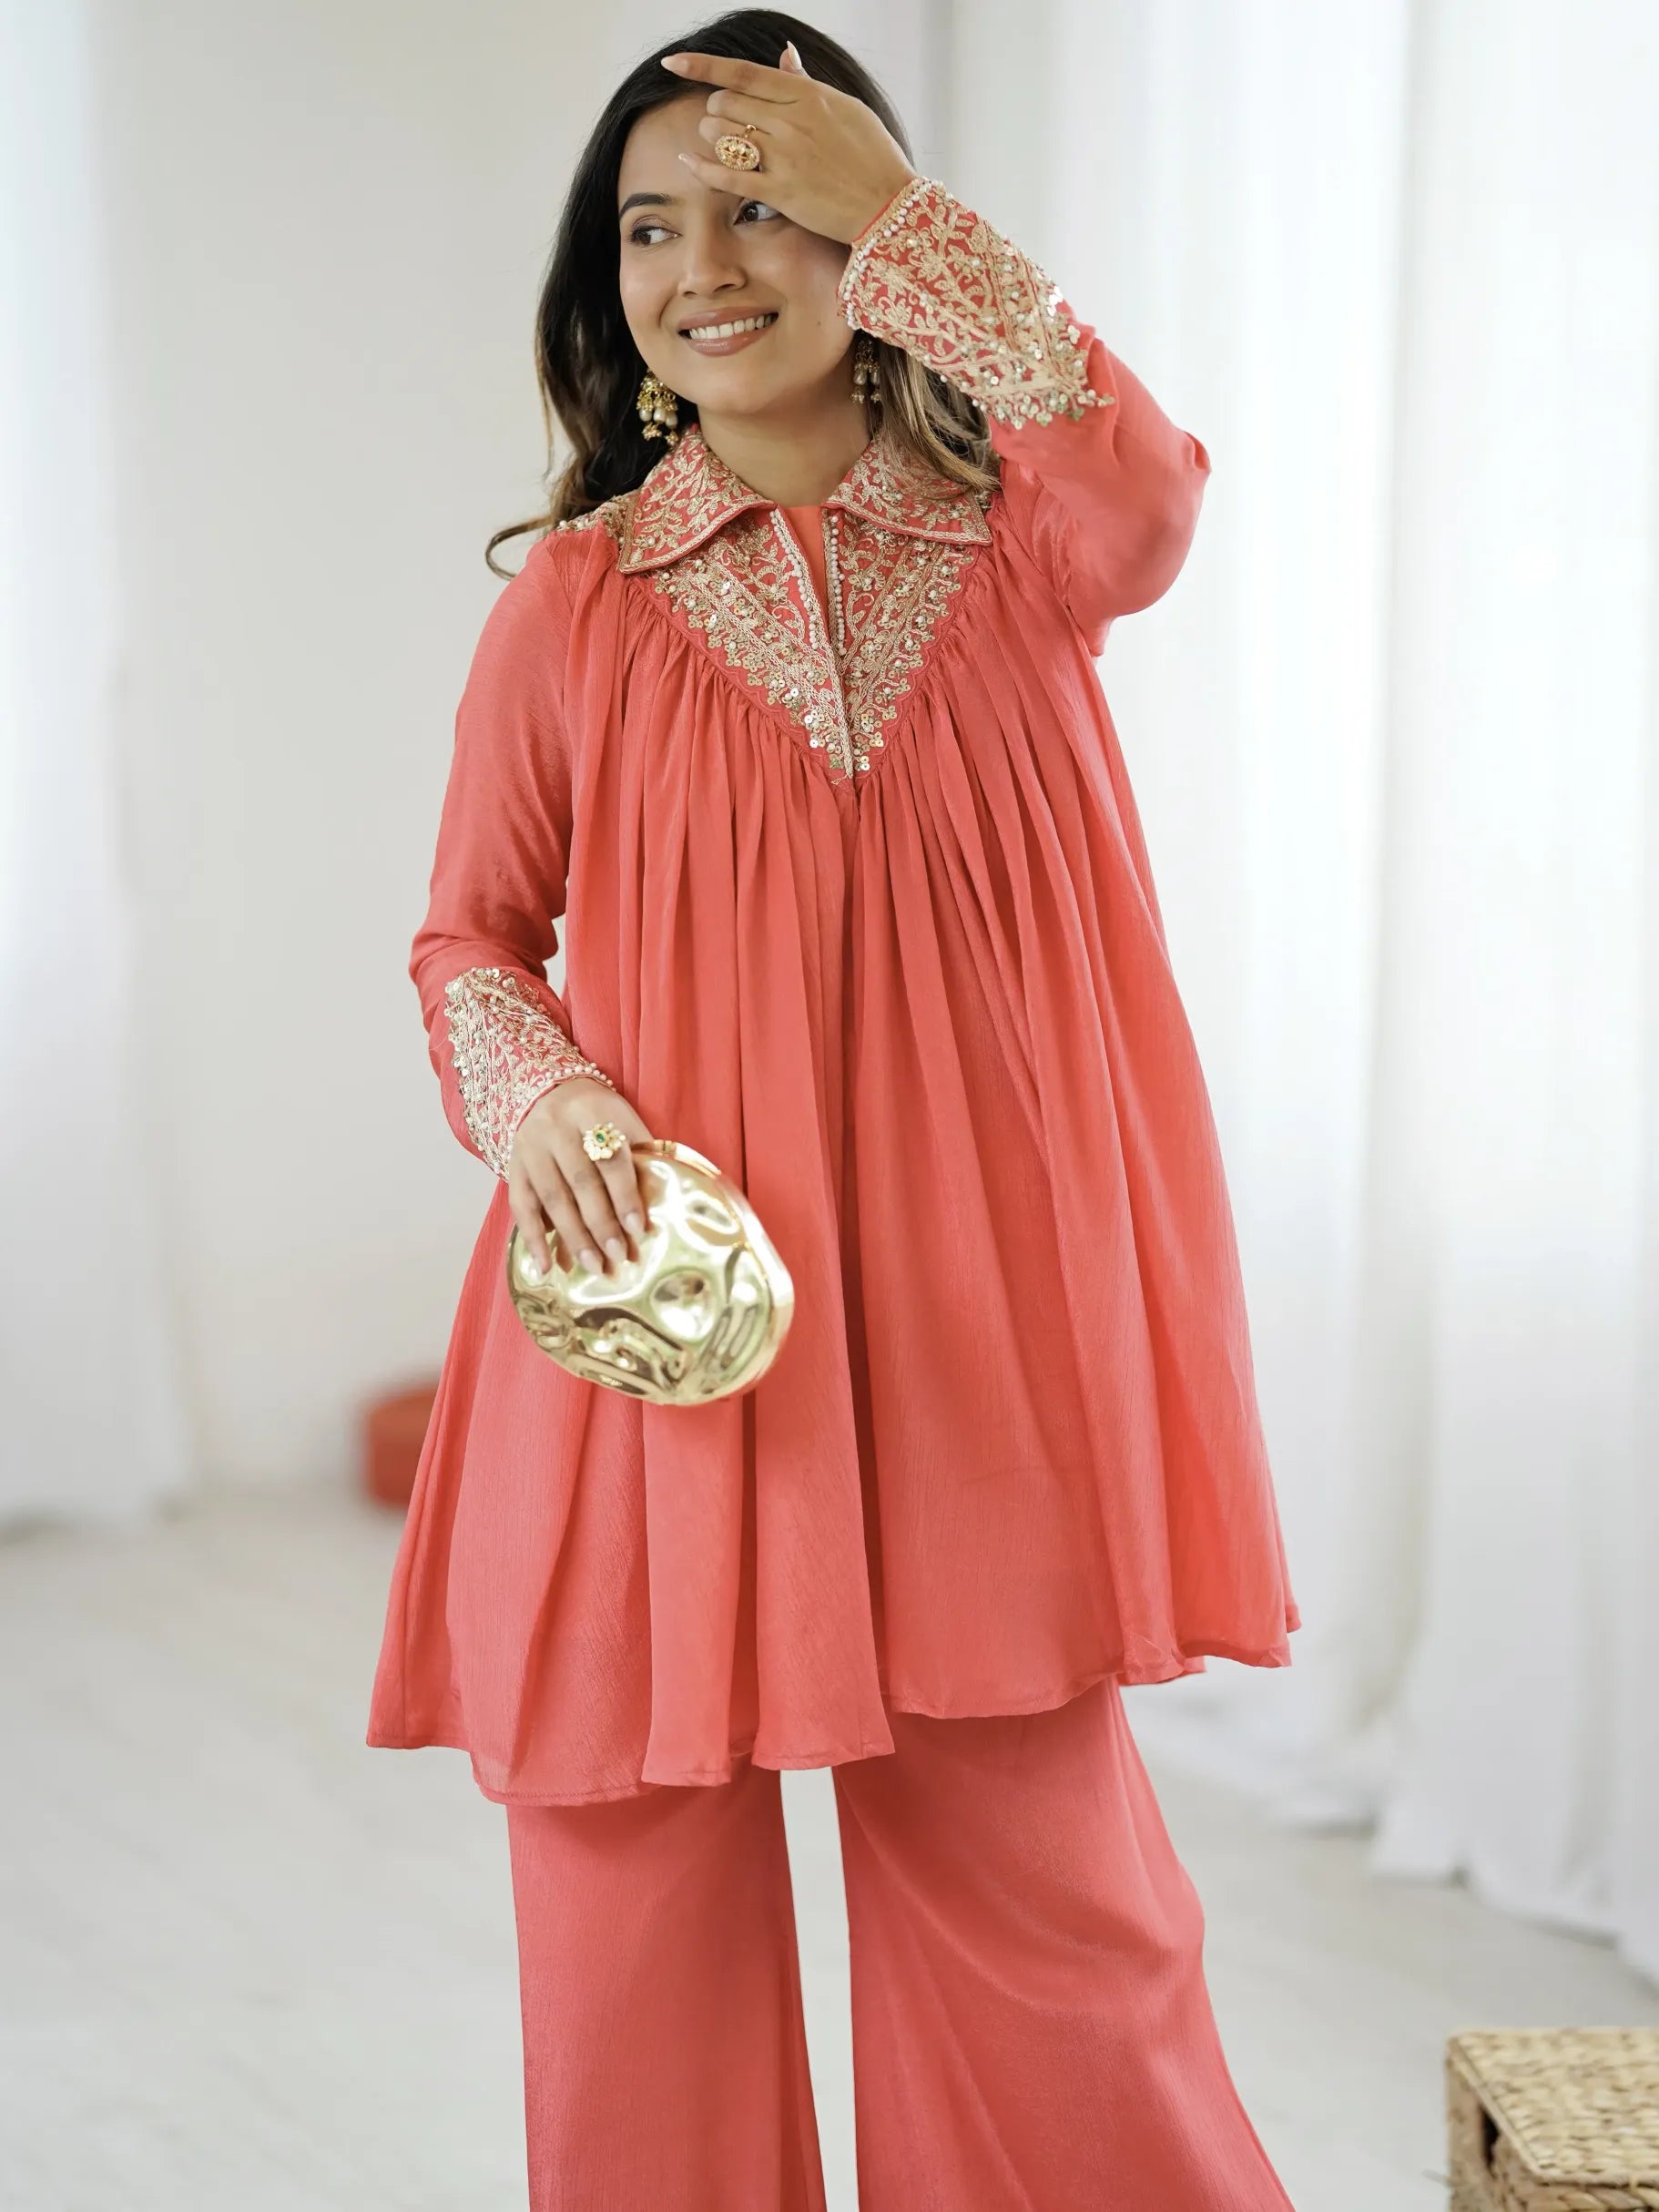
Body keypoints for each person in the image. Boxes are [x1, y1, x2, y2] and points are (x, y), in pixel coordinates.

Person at [368, 10, 1301, 2207]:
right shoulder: (578, 607)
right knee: (625, 1908)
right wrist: (545, 1102)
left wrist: (897, 208)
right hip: (663, 1345)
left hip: (975, 1347)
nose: (703, 261)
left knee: (1053, 1912)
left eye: (766, 201)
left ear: (878, 241)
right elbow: (466, 944)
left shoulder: (1028, 552)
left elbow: (1152, 487)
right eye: (650, 220)